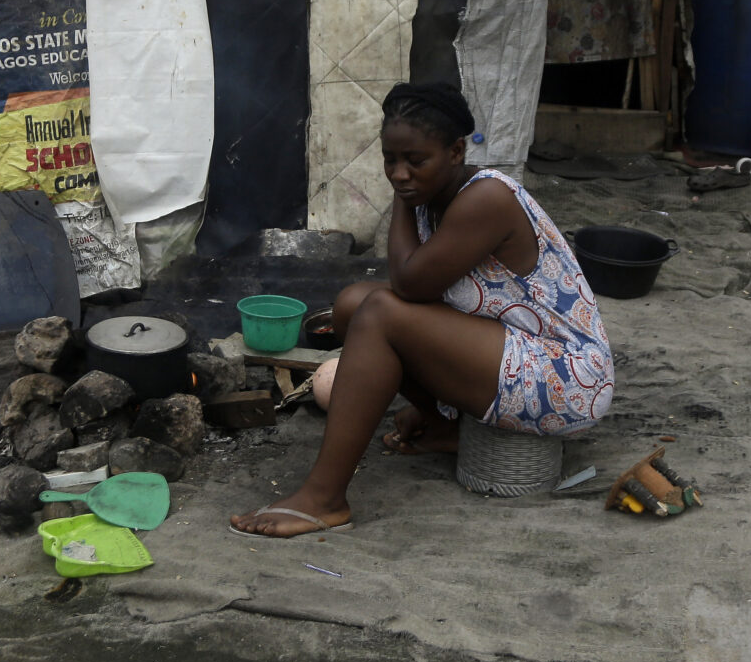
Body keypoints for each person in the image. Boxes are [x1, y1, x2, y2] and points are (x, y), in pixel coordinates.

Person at [231, 83, 614, 537]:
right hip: (510, 350)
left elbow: (408, 284)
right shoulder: (434, 196)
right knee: (353, 305)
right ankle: (443, 426)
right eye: (390, 160)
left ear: (456, 152)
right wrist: (413, 186)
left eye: (415, 160)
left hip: (568, 376)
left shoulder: (486, 198)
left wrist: (402, 196)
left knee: (379, 313)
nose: (398, 173)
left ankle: (324, 499)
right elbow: (408, 283)